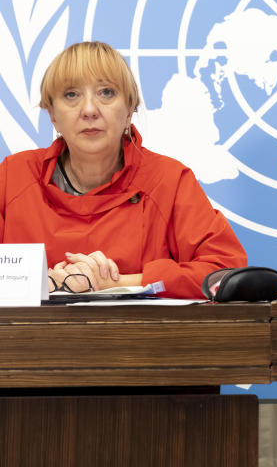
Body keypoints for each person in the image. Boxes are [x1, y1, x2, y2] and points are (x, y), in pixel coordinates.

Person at [0, 41, 247, 298]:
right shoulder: (12, 177)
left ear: (130, 109)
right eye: (71, 95)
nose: (89, 110)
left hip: (141, 338)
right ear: (52, 113)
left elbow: (225, 273)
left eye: (106, 93)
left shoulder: (169, 181)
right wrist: (42, 284)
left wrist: (113, 283)